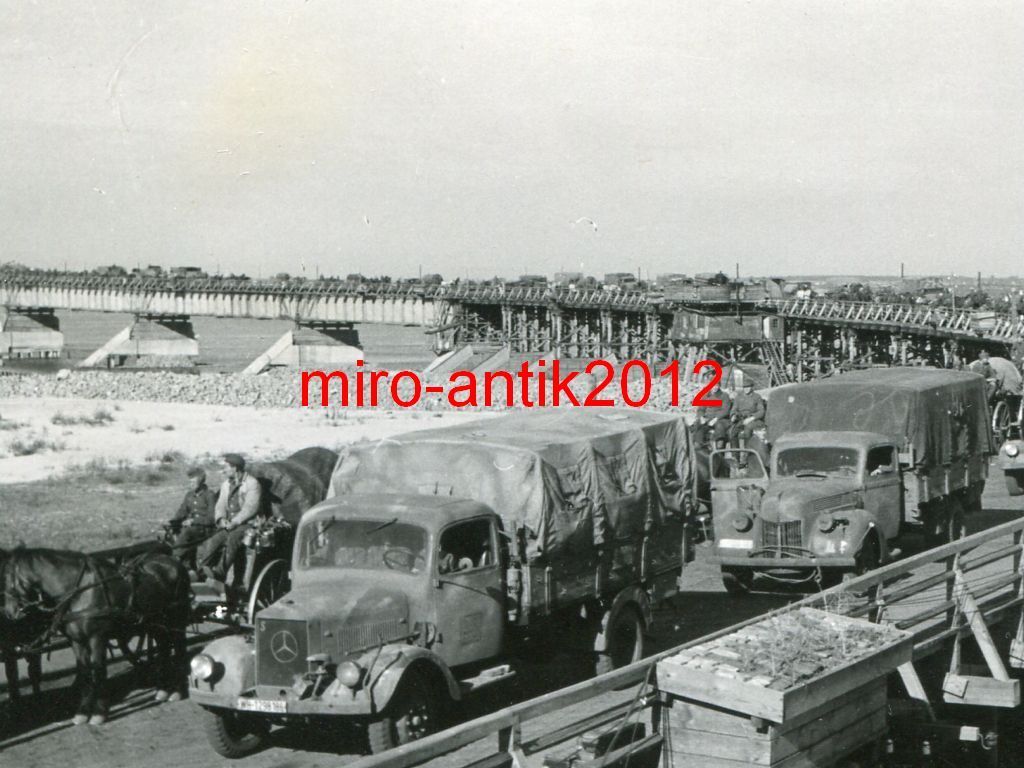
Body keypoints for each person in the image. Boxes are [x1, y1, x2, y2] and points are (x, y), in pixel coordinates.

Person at [200, 454, 263, 594]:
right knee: (212, 542)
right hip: (230, 524)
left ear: (235, 468)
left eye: (226, 467)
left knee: (233, 539)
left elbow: (250, 508)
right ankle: (203, 572)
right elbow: (220, 504)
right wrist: (221, 519)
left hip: (247, 524)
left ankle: (219, 576)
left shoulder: (252, 484)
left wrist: (235, 522)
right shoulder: (226, 484)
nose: (224, 470)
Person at [167, 467, 217, 571]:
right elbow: (182, 511)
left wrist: (193, 521)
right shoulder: (189, 495)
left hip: (206, 529)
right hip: (193, 528)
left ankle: (174, 559)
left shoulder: (209, 495)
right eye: (190, 482)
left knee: (187, 532)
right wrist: (172, 522)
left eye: (193, 482)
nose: (191, 484)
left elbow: (212, 518)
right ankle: (187, 565)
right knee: (168, 532)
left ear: (201, 481)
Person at [729, 380, 766, 448]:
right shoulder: (738, 397)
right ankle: (735, 456)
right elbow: (734, 409)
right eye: (744, 387)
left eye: (748, 387)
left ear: (752, 387)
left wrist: (751, 418)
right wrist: (733, 415)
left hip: (754, 420)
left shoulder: (757, 397)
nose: (746, 389)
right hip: (741, 419)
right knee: (732, 432)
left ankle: (747, 454)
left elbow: (761, 411)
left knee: (748, 430)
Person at [695, 383, 731, 449]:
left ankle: (719, 447)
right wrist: (701, 417)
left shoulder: (724, 396)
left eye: (716, 386)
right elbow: (700, 409)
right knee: (698, 424)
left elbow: (725, 410)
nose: (714, 387)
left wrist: (716, 419)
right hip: (707, 418)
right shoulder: (706, 396)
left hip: (720, 419)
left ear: (719, 386)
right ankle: (698, 445)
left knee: (720, 426)